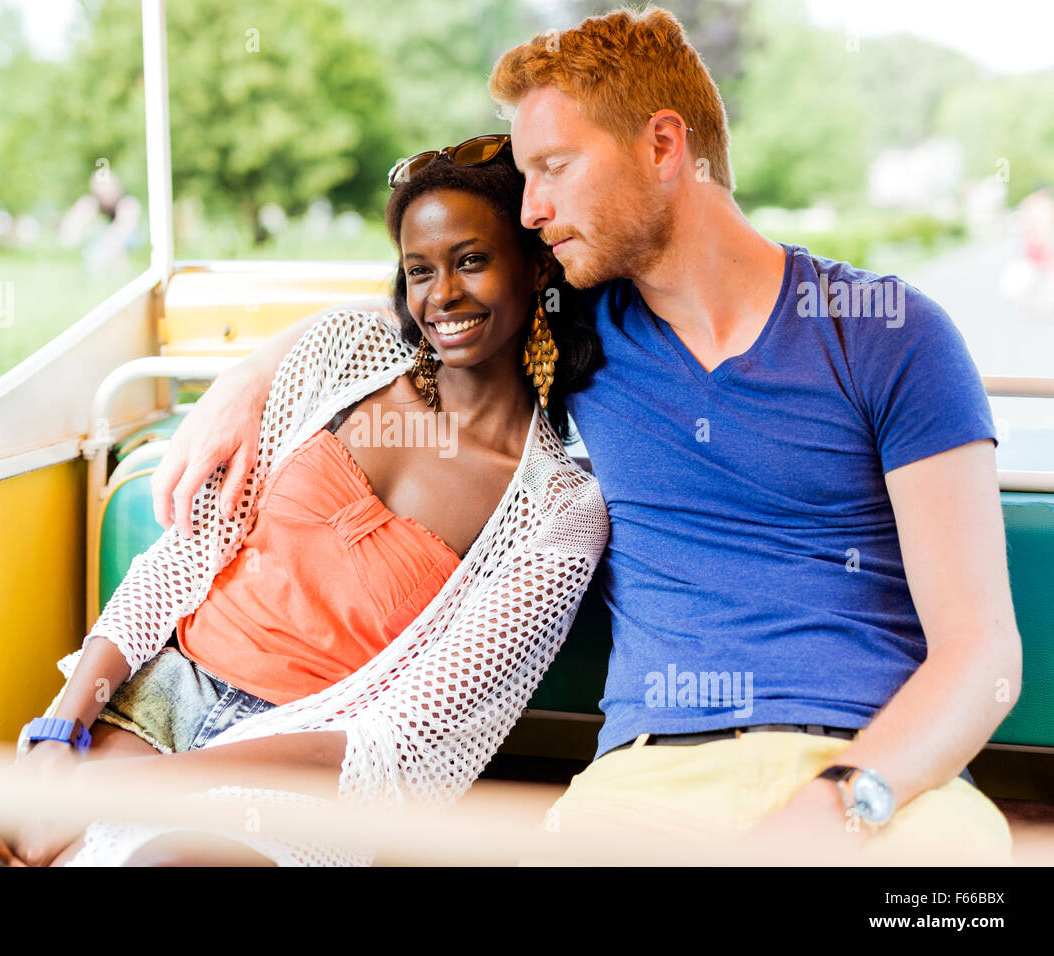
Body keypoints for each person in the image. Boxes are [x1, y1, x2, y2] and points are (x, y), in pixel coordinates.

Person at [157, 7, 1022, 864]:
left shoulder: (890, 332)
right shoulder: (578, 321)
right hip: (649, 791)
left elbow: (981, 651)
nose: (531, 210)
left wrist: (844, 803)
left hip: (883, 785)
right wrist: (252, 374)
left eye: (556, 168)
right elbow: (431, 303)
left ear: (662, 145)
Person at [0, 137, 609, 866]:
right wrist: (58, 734)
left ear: (536, 267)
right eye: (419, 270)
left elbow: (394, 744)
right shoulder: (341, 354)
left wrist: (136, 796)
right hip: (153, 700)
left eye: (471, 261)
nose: (443, 297)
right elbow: (179, 563)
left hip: (299, 773)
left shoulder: (558, 512)